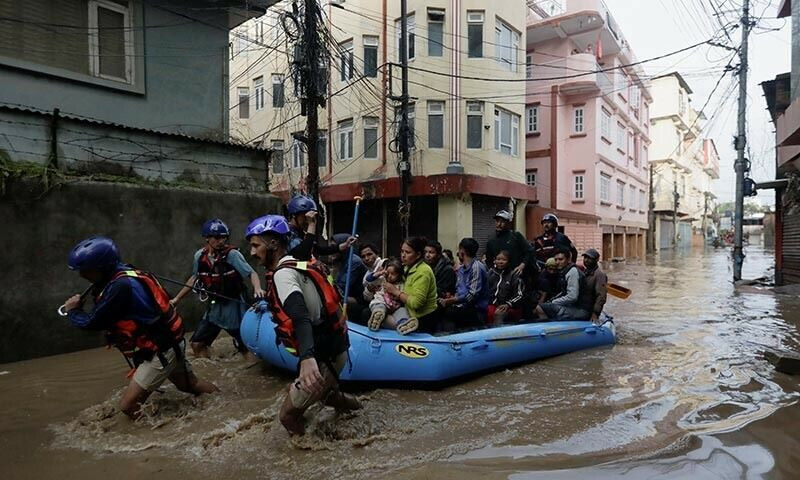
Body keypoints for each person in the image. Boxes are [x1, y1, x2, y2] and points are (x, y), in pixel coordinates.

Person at [62, 236, 218, 419]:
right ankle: (224, 402)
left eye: (86, 271)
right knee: (190, 384)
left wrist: (73, 311)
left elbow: (92, 323)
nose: (82, 275)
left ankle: (161, 439)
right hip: (169, 343)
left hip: (161, 349)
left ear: (102, 267)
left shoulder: (119, 287)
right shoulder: (126, 273)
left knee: (128, 406)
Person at [245, 215, 360, 436]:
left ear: (274, 244)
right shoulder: (294, 260)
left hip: (323, 354)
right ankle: (359, 411)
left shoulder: (283, 275)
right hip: (334, 348)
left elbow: (300, 315)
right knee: (330, 397)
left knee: (287, 416)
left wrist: (307, 358)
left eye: (255, 245)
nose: (251, 252)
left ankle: (312, 457)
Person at [170, 219, 265, 357]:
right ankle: (212, 363)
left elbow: (251, 273)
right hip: (214, 309)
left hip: (234, 308)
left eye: (224, 237)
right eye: (217, 237)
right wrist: (177, 299)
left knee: (247, 348)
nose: (221, 241)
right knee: (197, 344)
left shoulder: (232, 255)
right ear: (207, 238)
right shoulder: (199, 256)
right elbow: (194, 278)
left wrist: (257, 288)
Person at [382, 236, 439, 333]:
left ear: (418, 255)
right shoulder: (406, 267)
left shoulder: (423, 271)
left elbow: (416, 303)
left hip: (422, 319)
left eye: (407, 252)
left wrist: (396, 292)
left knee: (379, 318)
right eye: (402, 251)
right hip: (407, 311)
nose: (403, 255)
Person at [438, 238, 490, 330]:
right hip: (461, 306)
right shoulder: (461, 269)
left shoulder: (476, 267)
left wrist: (453, 300)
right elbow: (459, 290)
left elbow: (472, 295)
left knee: (446, 312)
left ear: (462, 251)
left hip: (475, 310)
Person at [285, 195, 356, 261]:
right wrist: (312, 225)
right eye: (305, 217)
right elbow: (304, 253)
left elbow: (318, 249)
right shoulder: (287, 233)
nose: (308, 221)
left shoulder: (301, 233)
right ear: (294, 215)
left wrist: (344, 245)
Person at [535, 247, 593, 320]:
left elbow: (572, 296)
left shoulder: (572, 272)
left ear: (568, 260)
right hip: (574, 307)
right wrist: (551, 301)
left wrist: (553, 302)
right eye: (556, 260)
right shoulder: (565, 271)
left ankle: (548, 328)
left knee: (539, 308)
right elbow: (563, 292)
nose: (557, 262)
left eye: (561, 259)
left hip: (580, 310)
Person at [366, 260, 416, 334]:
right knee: (378, 305)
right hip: (381, 302)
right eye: (388, 273)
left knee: (402, 311)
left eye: (393, 274)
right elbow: (369, 279)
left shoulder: (402, 284)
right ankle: (377, 316)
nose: (389, 276)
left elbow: (403, 296)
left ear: (399, 274)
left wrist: (396, 295)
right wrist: (379, 273)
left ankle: (404, 324)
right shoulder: (382, 279)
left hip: (395, 307)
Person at [485, 210, 534, 276]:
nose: (499, 224)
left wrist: (522, 265)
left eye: (502, 222)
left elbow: (529, 251)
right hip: (500, 276)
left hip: (517, 274)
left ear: (508, 223)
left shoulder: (516, 236)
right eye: (497, 221)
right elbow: (489, 260)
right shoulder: (491, 240)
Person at [486, 250, 525, 326]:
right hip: (493, 304)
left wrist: (508, 304)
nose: (500, 262)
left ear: (509, 261)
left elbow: (520, 295)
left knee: (498, 314)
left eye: (504, 260)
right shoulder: (491, 273)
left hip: (510, 306)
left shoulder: (514, 275)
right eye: (498, 259)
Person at [582, 248, 608, 323]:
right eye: (585, 257)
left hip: (589, 310)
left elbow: (601, 296)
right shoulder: (585, 272)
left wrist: (595, 314)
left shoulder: (599, 275)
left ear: (596, 260)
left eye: (589, 258)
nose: (586, 260)